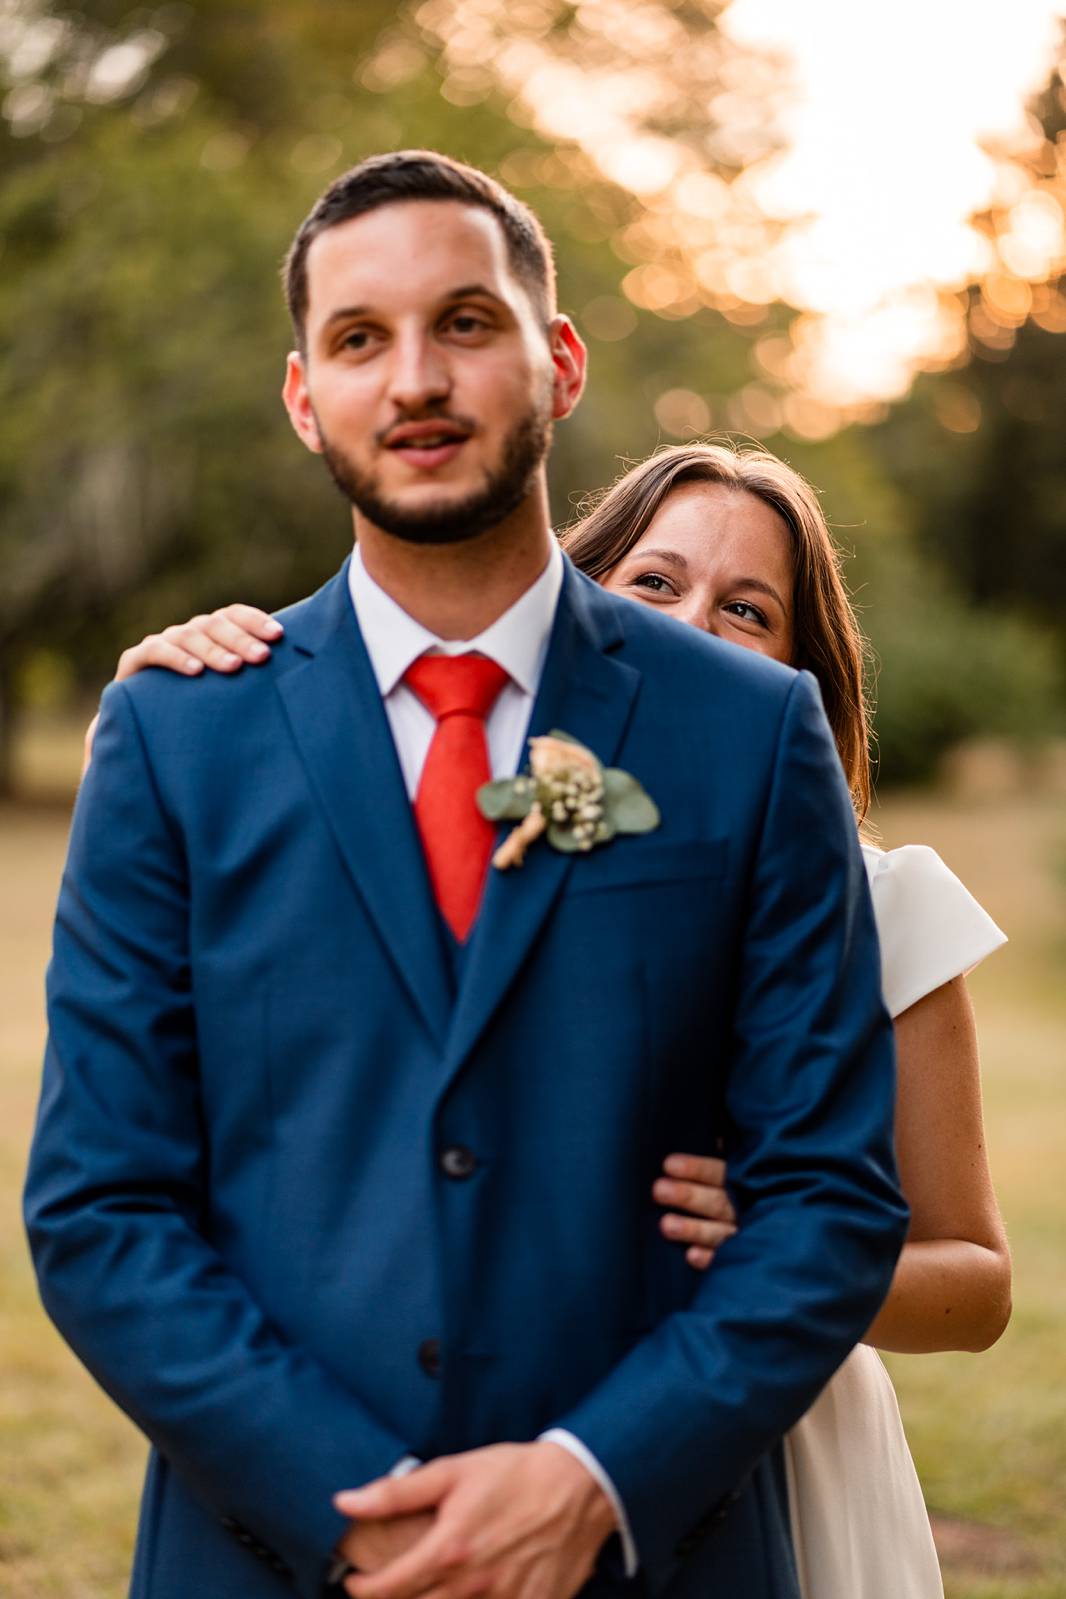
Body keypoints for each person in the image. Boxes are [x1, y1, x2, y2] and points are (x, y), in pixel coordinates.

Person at [26, 152, 909, 1599]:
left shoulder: (748, 730)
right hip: (268, 1555)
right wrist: (357, 1508)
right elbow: (100, 1205)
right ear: (306, 394)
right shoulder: (176, 733)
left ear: (555, 362)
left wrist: (592, 1477)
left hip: (653, 1551)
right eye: (360, 338)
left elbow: (828, 1193)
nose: (415, 376)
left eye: (466, 322)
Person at [116, 442, 1012, 1599]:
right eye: (653, 581)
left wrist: (793, 1250)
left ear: (799, 670)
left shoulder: (887, 904)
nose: (694, 621)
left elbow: (978, 1285)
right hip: (469, 1416)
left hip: (772, 1439)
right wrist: (172, 707)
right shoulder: (467, 843)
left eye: (748, 608)